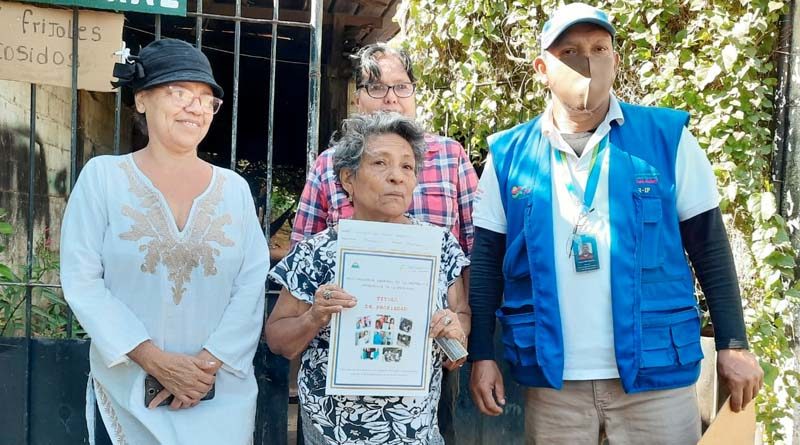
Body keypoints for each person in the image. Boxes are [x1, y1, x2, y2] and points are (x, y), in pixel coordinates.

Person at [467, 4, 763, 444]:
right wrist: (482, 355)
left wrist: (733, 343)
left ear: (616, 60)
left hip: (656, 379)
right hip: (555, 385)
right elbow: (487, 262)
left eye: (599, 48)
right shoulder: (509, 155)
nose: (587, 61)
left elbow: (709, 247)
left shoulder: (666, 138)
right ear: (542, 68)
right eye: (570, 51)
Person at [60, 38, 269, 445]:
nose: (195, 107)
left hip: (218, 395)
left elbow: (250, 284)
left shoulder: (234, 190)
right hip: (129, 392)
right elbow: (82, 280)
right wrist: (155, 361)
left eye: (206, 99)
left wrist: (204, 368)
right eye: (179, 93)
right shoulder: (103, 178)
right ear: (141, 100)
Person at [265, 113, 470, 445]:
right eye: (380, 163)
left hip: (413, 430)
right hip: (333, 431)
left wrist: (454, 333)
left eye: (407, 167)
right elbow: (277, 340)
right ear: (348, 179)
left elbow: (460, 324)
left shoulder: (439, 246)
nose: (397, 177)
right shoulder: (318, 252)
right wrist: (314, 316)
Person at [291, 42, 478, 260]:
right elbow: (303, 249)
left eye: (401, 86)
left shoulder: (450, 156)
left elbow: (476, 244)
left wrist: (465, 295)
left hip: (436, 293)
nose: (391, 98)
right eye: (377, 87)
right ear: (357, 99)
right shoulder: (329, 164)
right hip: (350, 291)